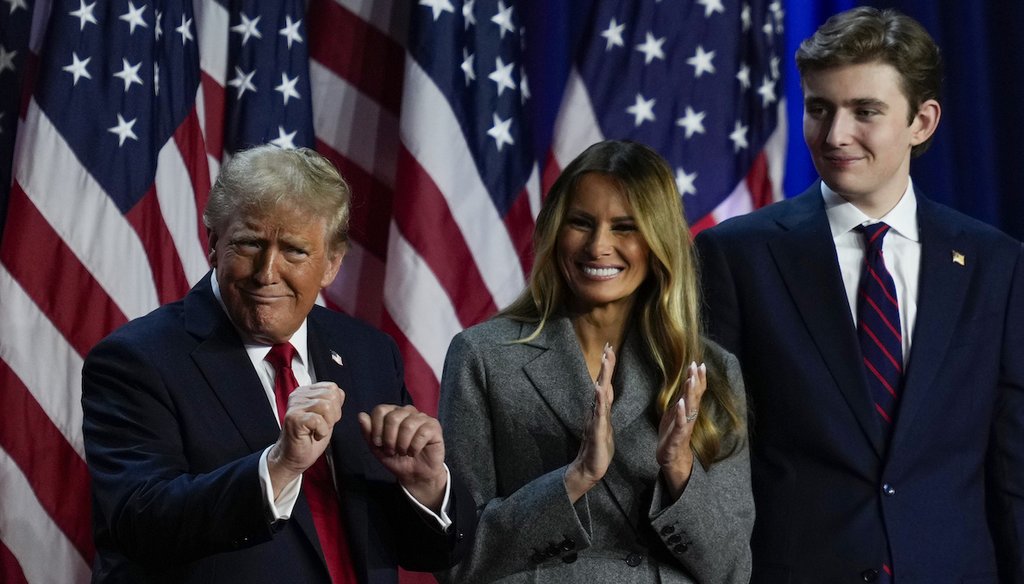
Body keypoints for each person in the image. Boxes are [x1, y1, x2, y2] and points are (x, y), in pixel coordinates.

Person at [695, 7, 1024, 583]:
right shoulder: (737, 255)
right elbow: (713, 454)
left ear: (922, 121)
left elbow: (1012, 464)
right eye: (819, 109)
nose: (834, 134)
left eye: (864, 111)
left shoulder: (996, 264)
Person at [81, 145, 476, 583]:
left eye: (294, 251)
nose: (267, 273)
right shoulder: (137, 359)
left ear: (332, 264)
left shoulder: (368, 352)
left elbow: (429, 552)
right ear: (213, 244)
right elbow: (139, 523)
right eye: (250, 243)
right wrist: (280, 466)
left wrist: (425, 487)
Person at [437, 140, 753, 583]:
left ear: (658, 241)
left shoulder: (709, 371)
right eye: (581, 223)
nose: (599, 245)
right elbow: (457, 559)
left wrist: (679, 467)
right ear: (554, 232)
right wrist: (575, 478)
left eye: (625, 227)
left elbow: (734, 570)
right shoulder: (484, 356)